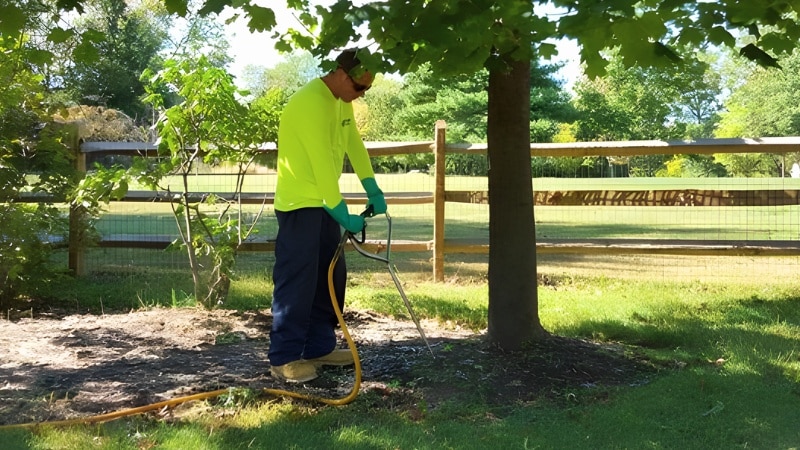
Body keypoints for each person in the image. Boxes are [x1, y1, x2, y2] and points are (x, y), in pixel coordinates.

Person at [268, 49, 388, 383]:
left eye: (367, 90)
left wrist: (372, 188)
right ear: (339, 72)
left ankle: (319, 346)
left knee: (330, 277)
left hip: (323, 203)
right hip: (300, 204)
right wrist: (343, 214)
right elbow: (322, 166)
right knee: (297, 280)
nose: (360, 94)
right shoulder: (310, 104)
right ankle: (284, 357)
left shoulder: (340, 102)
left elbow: (354, 145)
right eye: (358, 87)